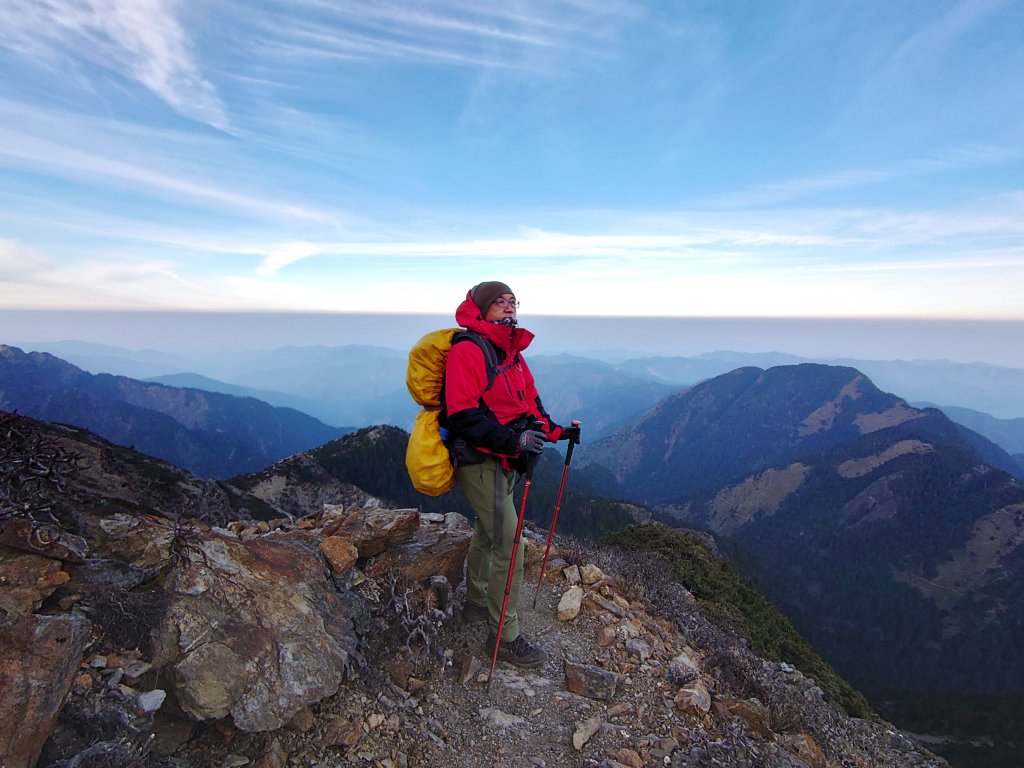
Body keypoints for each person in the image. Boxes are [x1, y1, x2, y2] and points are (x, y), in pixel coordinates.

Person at [444, 281, 579, 669]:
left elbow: (530, 406)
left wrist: (557, 432)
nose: (508, 307)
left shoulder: (512, 353)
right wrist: (513, 440)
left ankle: (474, 604)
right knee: (510, 543)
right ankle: (504, 636)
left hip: (505, 462)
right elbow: (462, 414)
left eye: (512, 301)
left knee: (489, 534)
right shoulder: (469, 350)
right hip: (480, 463)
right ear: (481, 309)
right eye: (499, 302)